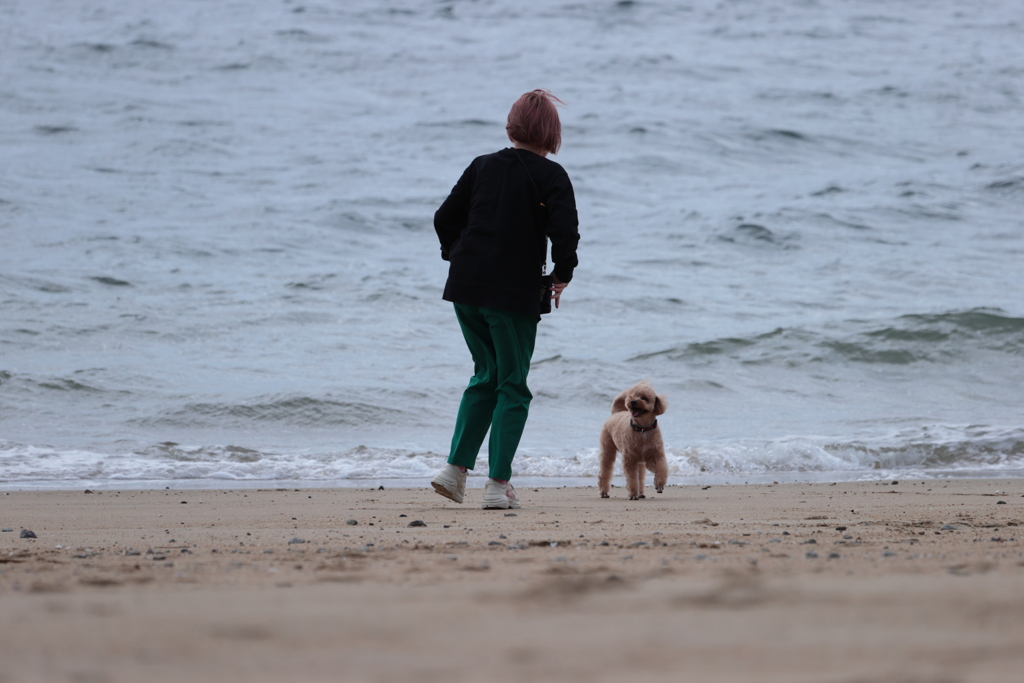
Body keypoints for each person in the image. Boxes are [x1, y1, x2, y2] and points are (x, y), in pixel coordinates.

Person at [430, 89, 580, 509]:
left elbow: (444, 219)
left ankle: (454, 470)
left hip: (466, 288)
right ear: (552, 133)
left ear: (511, 126)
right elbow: (565, 233)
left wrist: (457, 255)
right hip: (512, 294)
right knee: (513, 386)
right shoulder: (552, 176)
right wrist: (561, 275)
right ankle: (497, 485)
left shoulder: (482, 166)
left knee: (485, 376)